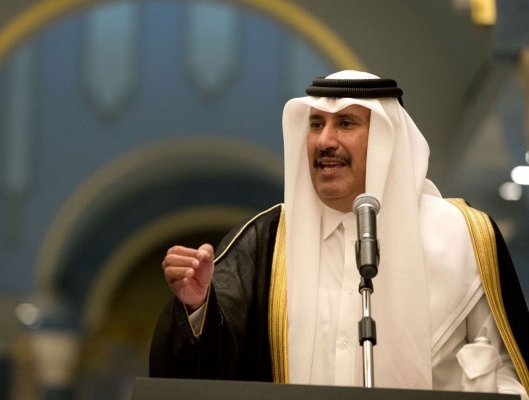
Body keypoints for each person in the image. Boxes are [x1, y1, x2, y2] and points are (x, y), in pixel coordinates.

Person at [149, 70, 529, 398]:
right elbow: (207, 372)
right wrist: (198, 307)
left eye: (346, 123)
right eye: (316, 124)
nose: (324, 141)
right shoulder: (268, 241)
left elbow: (510, 373)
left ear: (387, 139)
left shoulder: (463, 237)